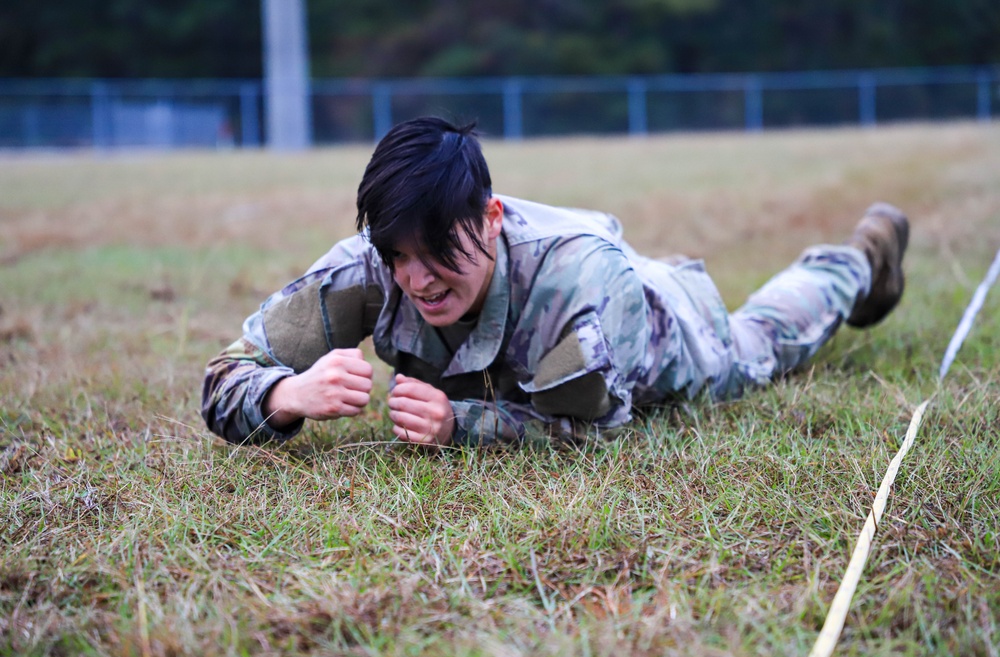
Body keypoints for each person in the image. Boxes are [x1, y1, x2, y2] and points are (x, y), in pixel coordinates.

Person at [201, 116, 909, 447]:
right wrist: (287, 394)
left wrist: (460, 425)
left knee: (763, 342)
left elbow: (594, 428)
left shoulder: (577, 280)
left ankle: (855, 262)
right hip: (583, 304)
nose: (415, 279)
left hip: (661, 322)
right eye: (397, 255)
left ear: (489, 216)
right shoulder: (368, 267)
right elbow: (226, 375)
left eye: (438, 249)